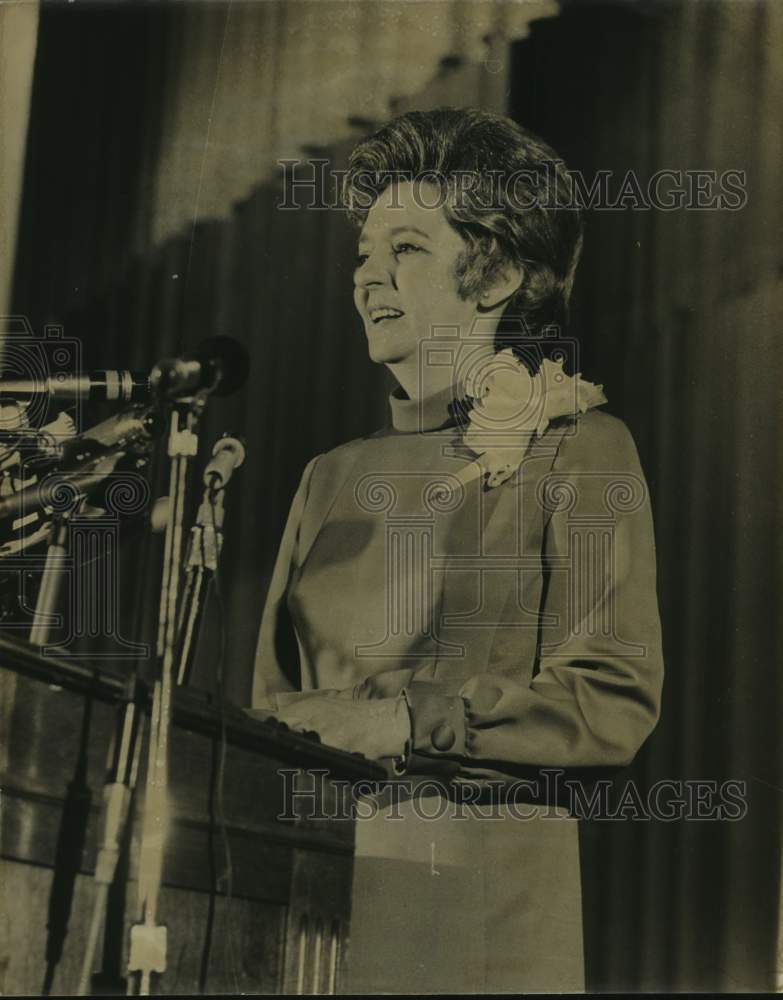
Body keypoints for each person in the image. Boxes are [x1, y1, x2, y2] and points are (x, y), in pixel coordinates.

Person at [249, 107, 664, 992]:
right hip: (306, 887)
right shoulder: (329, 475)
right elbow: (268, 707)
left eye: (404, 248)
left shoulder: (581, 445)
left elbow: (610, 698)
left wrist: (407, 720)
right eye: (362, 253)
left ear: (498, 273)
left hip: (480, 893)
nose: (368, 277)